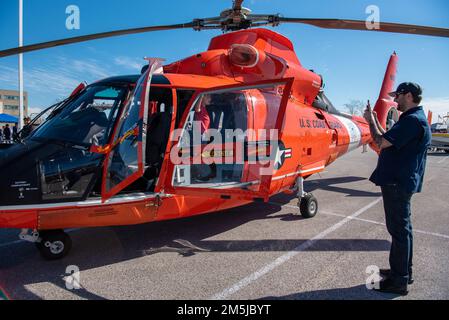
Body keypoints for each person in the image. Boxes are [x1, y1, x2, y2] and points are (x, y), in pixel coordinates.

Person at [364, 82, 431, 295]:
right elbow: (389, 139)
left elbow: (379, 141)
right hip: (401, 181)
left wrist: (368, 122)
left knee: (399, 232)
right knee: (403, 231)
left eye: (398, 96)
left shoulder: (412, 121)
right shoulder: (413, 120)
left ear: (409, 96)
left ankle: (398, 281)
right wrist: (374, 120)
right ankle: (402, 272)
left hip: (397, 183)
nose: (396, 100)